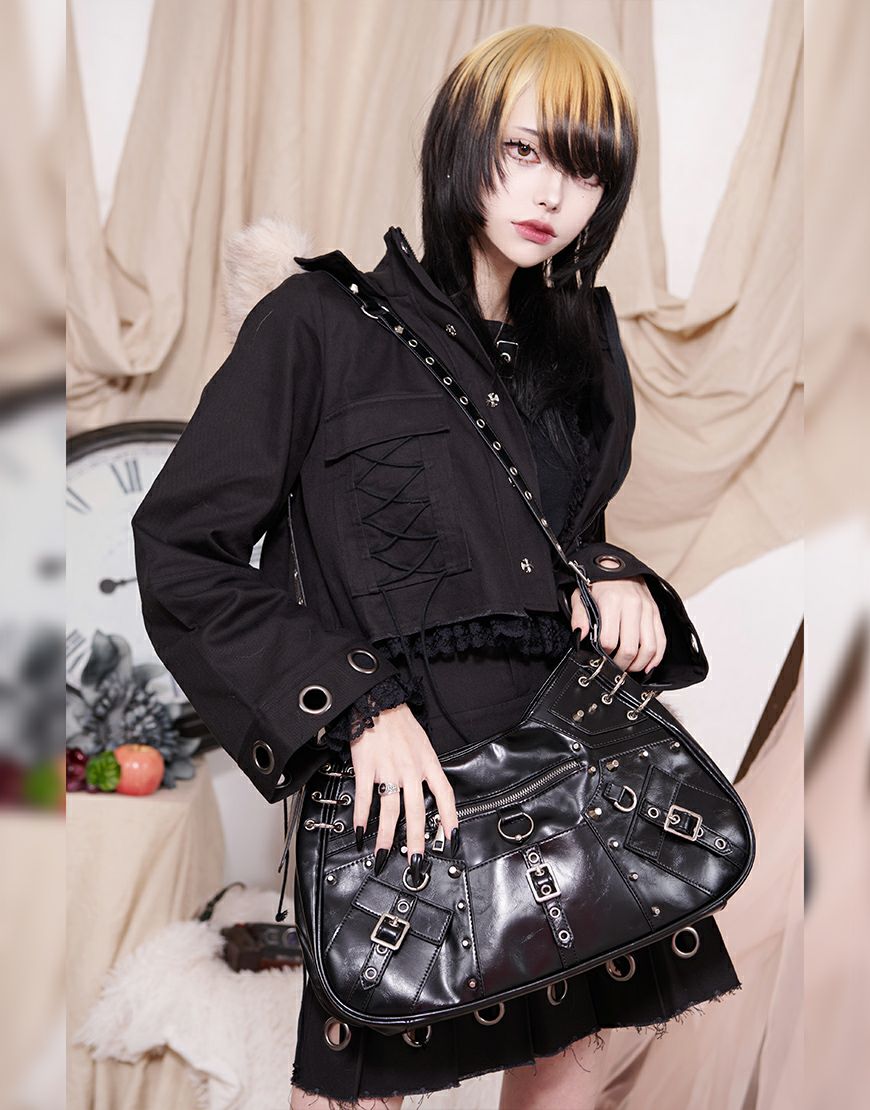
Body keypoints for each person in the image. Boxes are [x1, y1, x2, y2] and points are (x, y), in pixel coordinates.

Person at [132, 24, 741, 1110]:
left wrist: (609, 568)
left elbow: (562, 524)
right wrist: (353, 707)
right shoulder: (316, 325)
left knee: (572, 1065)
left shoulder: (584, 344)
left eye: (585, 170)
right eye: (524, 151)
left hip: (563, 772)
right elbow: (183, 546)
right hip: (399, 777)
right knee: (362, 1084)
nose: (551, 193)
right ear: (463, 143)